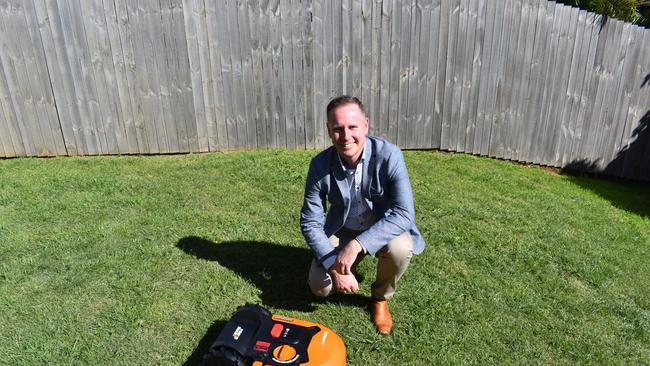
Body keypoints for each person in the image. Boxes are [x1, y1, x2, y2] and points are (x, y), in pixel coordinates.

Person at [300, 95, 425, 336]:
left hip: (382, 228)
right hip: (342, 229)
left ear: (365, 125)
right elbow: (310, 221)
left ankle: (379, 298)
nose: (346, 136)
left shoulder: (390, 155)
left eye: (352, 127)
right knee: (320, 287)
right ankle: (346, 267)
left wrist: (358, 245)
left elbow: (403, 213)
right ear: (328, 131)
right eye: (337, 129)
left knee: (400, 248)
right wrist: (332, 266)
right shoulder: (319, 164)